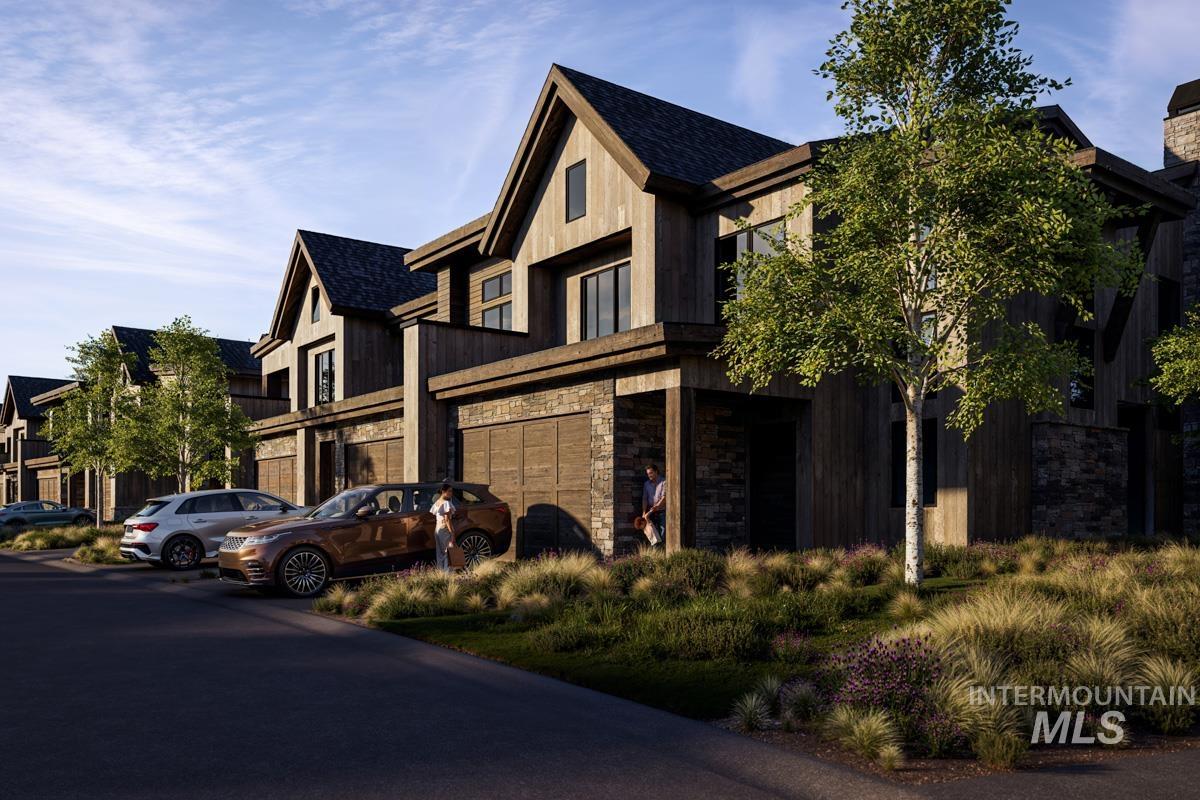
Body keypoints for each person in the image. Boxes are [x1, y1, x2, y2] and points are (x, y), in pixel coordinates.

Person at [430, 483, 458, 572]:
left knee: (440, 553)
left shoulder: (437, 502)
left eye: (451, 491)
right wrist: (452, 533)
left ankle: (440, 573)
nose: (451, 493)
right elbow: (447, 520)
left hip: (437, 529)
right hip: (444, 529)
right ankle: (448, 575)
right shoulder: (446, 503)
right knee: (448, 552)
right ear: (443, 491)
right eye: (449, 491)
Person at [641, 464, 666, 547]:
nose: (649, 475)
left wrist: (651, 511)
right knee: (652, 535)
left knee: (663, 533)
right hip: (650, 513)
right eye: (648, 473)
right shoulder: (646, 484)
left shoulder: (663, 482)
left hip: (662, 511)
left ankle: (663, 553)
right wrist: (644, 512)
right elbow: (644, 499)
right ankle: (656, 555)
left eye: (651, 473)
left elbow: (664, 498)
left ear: (656, 472)